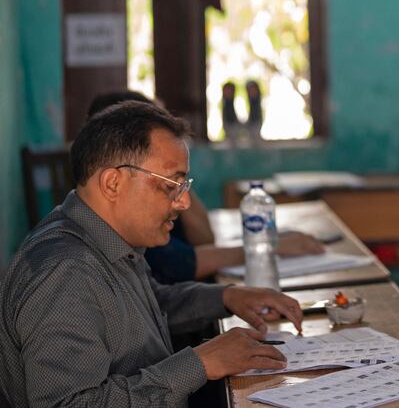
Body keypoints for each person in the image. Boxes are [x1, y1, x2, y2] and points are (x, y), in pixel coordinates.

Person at [0, 101, 304, 408]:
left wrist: (226, 297)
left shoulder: (105, 238)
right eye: (171, 185)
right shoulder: (66, 271)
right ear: (113, 183)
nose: (183, 202)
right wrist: (199, 363)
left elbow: (148, 305)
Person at [87, 91, 324, 284]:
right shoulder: (80, 264)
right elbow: (179, 264)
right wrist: (265, 248)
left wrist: (172, 178)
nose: (184, 201)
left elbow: (203, 239)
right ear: (113, 182)